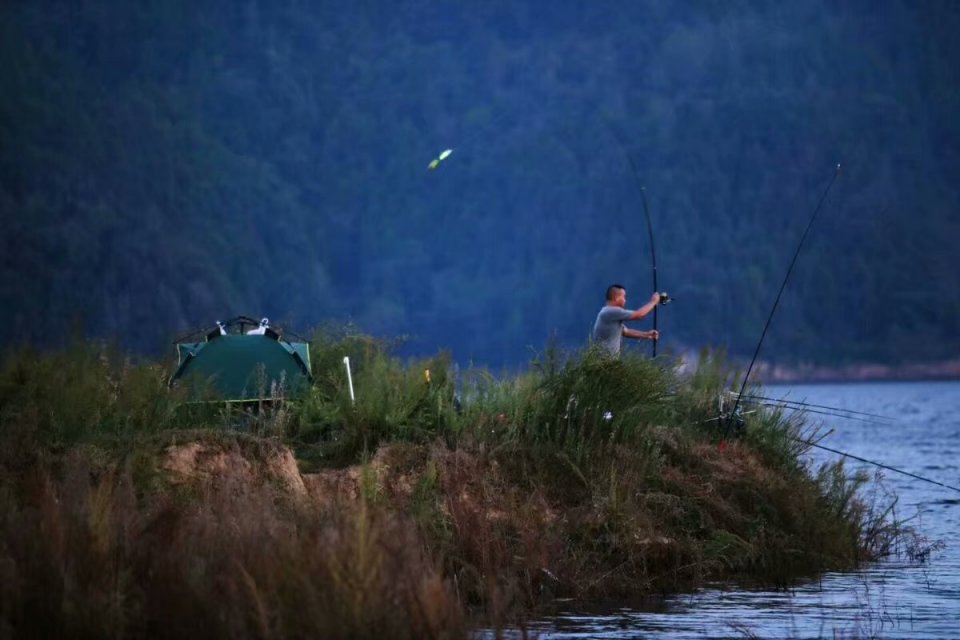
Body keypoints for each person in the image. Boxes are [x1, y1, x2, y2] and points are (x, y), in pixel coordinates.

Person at [591, 284, 660, 357]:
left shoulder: (609, 314)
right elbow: (639, 315)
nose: (625, 300)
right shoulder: (611, 311)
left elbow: (626, 332)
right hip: (605, 362)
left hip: (606, 361)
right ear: (616, 297)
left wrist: (647, 335)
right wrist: (653, 302)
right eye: (623, 297)